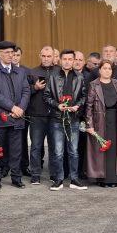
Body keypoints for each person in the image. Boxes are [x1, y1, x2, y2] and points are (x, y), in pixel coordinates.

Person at [0, 41, 30, 189]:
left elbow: (26, 91)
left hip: (17, 118)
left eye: (12, 52)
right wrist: (12, 107)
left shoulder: (20, 71)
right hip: (0, 118)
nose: (11, 55)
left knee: (16, 151)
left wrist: (21, 108)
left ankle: (16, 178)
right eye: (7, 52)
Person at [43, 50, 87, 191]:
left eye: (70, 59)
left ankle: (74, 179)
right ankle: (59, 180)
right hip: (57, 118)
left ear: (74, 61)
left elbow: (84, 96)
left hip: (73, 119)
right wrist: (57, 105)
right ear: (60, 60)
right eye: (65, 59)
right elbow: (46, 96)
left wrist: (77, 106)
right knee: (58, 152)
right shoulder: (53, 76)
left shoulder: (80, 77)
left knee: (74, 151)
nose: (67, 61)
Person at [85, 61, 117, 187]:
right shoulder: (94, 84)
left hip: (116, 120)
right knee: (101, 149)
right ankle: (102, 179)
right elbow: (89, 106)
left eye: (109, 68)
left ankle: (113, 178)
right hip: (99, 120)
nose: (107, 71)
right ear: (100, 70)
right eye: (104, 68)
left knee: (114, 148)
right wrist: (89, 125)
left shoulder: (116, 83)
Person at [27, 46, 57, 186]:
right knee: (36, 146)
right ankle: (35, 175)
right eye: (43, 56)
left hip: (55, 115)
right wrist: (35, 88)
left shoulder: (59, 71)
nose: (46, 59)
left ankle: (54, 174)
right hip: (37, 115)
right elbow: (25, 92)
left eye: (49, 56)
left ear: (53, 57)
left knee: (54, 146)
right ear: (40, 56)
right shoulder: (32, 72)